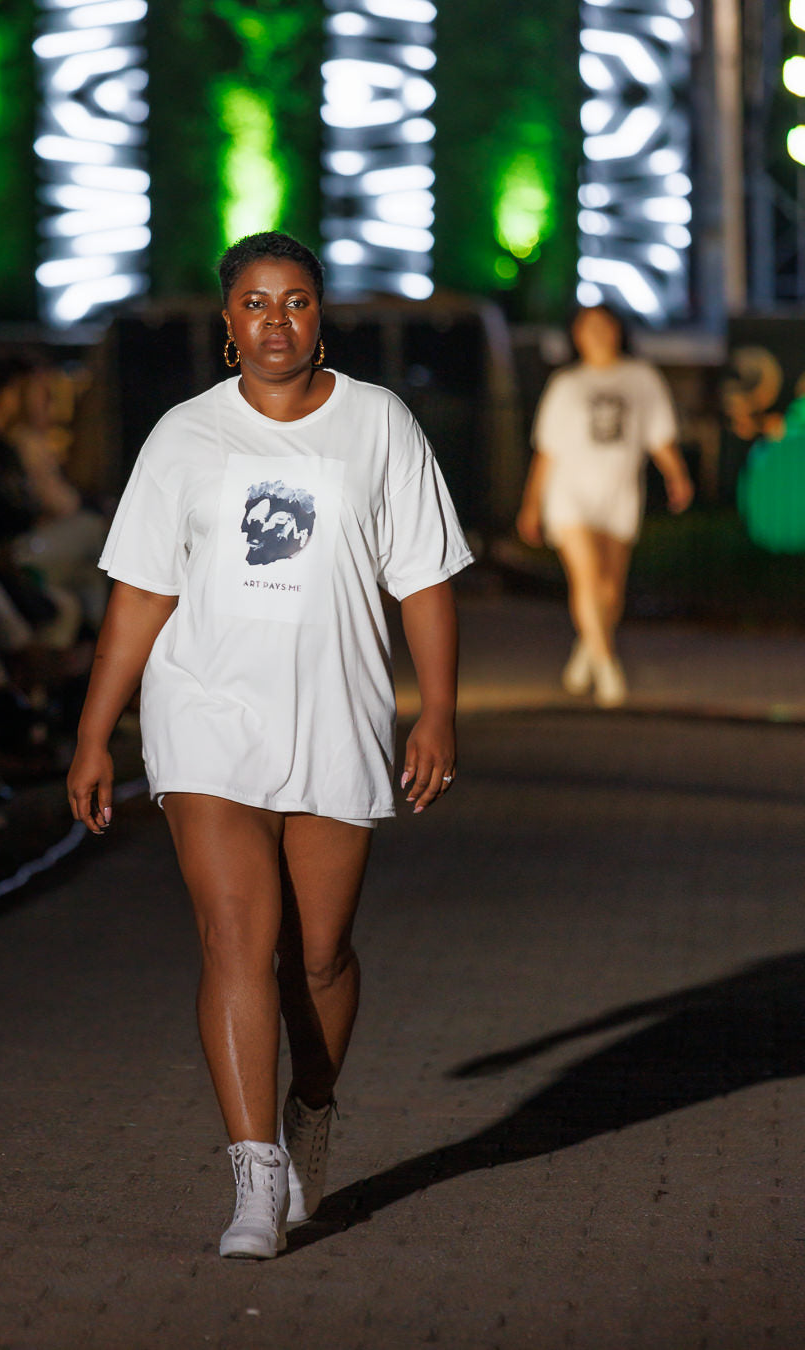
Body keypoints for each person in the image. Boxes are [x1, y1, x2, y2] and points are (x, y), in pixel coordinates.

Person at [67, 231, 472, 1259]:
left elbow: (423, 576)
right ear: (226, 325)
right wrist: (93, 733)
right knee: (235, 936)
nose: (276, 321)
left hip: (335, 712)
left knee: (321, 956)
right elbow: (142, 594)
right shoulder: (183, 437)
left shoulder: (379, 424)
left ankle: (314, 1108)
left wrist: (436, 710)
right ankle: (253, 1180)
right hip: (205, 710)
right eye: (255, 303)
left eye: (295, 301)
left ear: (320, 315)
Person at [516, 303, 694, 707]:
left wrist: (677, 475)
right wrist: (531, 505)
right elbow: (546, 451)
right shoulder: (566, 384)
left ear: (618, 330)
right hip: (570, 495)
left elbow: (659, 436)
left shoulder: (641, 378)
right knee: (589, 580)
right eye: (587, 326)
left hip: (620, 494)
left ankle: (588, 648)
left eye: (604, 325)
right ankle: (608, 666)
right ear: (576, 335)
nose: (596, 333)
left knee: (611, 589)